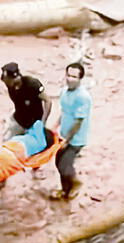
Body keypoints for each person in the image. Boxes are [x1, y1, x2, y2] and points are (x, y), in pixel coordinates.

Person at [52, 62, 92, 200]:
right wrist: (55, 126)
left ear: (80, 79)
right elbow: (64, 112)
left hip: (76, 139)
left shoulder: (83, 97)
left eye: (74, 77)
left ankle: (76, 183)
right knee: (58, 162)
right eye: (68, 75)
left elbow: (78, 122)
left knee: (64, 165)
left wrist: (67, 140)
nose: (70, 79)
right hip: (63, 134)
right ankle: (65, 191)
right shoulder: (64, 91)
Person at [1, 62, 52, 141]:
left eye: (6, 79)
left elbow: (48, 101)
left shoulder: (32, 84)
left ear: (13, 79)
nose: (4, 81)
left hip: (35, 122)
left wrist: (43, 122)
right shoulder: (10, 85)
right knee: (7, 142)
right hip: (19, 120)